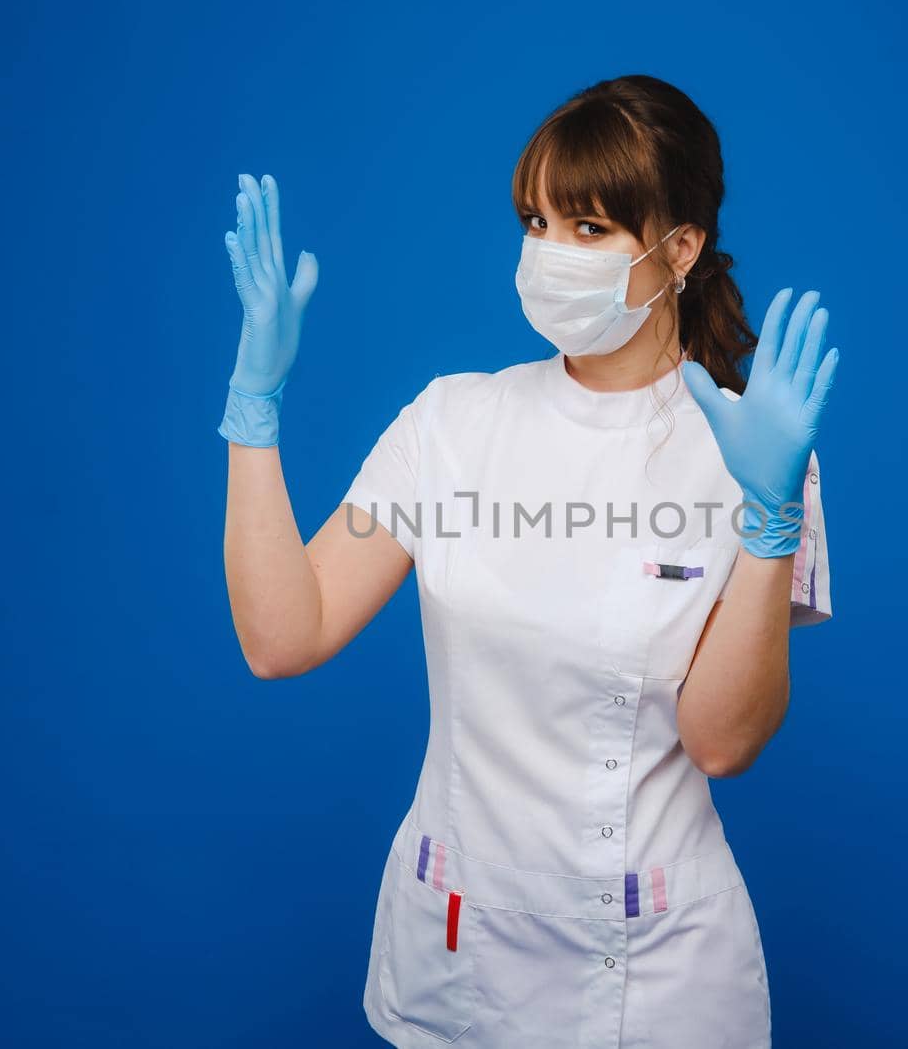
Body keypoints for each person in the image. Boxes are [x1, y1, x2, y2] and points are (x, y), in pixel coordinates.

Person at [218, 73, 839, 1048]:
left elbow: (724, 743)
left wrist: (769, 521)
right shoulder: (452, 422)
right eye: (536, 221)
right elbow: (281, 637)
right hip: (458, 949)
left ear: (679, 249)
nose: (550, 255)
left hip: (658, 970)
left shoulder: (750, 450)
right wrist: (253, 411)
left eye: (589, 229)